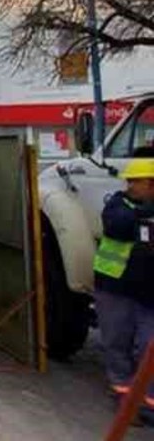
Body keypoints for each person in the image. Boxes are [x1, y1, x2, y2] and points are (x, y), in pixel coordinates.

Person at [94, 155, 154, 419]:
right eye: (130, 181)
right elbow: (118, 225)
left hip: (149, 292)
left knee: (147, 346)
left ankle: (148, 400)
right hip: (116, 286)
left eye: (136, 181)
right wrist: (145, 215)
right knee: (116, 341)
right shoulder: (118, 204)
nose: (130, 185)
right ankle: (123, 393)